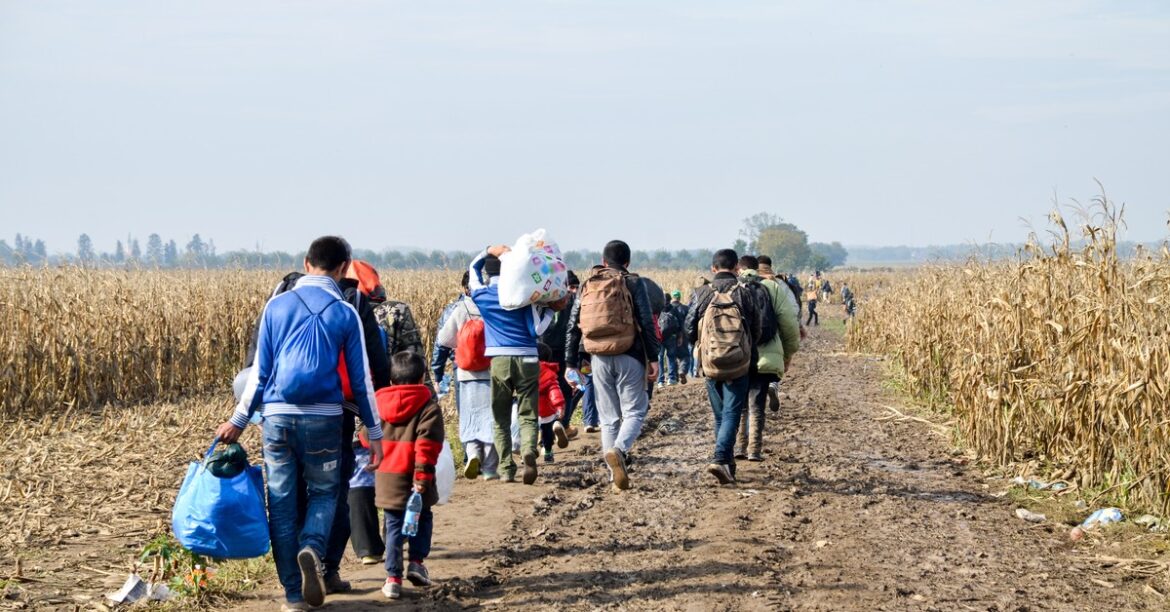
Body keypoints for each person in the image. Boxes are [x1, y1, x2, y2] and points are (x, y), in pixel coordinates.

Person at [216, 236, 384, 611]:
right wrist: (375, 433)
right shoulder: (345, 312)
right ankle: (312, 547)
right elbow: (362, 381)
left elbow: (259, 372)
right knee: (325, 493)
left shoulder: (276, 306)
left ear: (307, 263)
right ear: (344, 269)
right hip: (324, 419)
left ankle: (293, 596)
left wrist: (238, 421)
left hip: (277, 419)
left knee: (281, 504)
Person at [565, 240, 659, 492]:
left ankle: (611, 474)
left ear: (603, 261)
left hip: (598, 357)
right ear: (627, 262)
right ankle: (619, 450)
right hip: (630, 354)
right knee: (635, 412)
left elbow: (574, 325)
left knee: (608, 419)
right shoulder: (634, 282)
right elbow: (647, 324)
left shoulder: (588, 284)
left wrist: (570, 362)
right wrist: (653, 358)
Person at [469, 246, 561, 485]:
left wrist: (488, 250)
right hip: (529, 358)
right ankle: (529, 450)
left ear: (488, 273)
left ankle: (507, 468)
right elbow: (537, 329)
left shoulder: (483, 295)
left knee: (500, 417)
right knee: (528, 413)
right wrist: (550, 311)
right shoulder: (522, 293)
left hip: (498, 359)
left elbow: (472, 269)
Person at [685, 248, 760, 485]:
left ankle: (727, 464)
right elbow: (757, 328)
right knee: (731, 413)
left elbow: (688, 327)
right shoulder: (745, 293)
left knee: (720, 416)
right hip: (739, 363)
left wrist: (702, 346)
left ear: (713, 268)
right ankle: (721, 459)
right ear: (737, 268)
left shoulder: (701, 293)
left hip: (710, 364)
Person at [373, 352, 445, 600]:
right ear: (422, 377)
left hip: (387, 479)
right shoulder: (428, 407)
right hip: (417, 480)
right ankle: (416, 562)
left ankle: (393, 578)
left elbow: (365, 436)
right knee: (422, 519)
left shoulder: (378, 405)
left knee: (392, 526)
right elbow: (427, 446)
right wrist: (423, 477)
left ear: (391, 380)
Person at [735, 256, 800, 462]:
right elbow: (789, 322)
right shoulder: (773, 288)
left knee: (741, 404)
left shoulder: (734, 287)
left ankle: (739, 446)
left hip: (739, 354)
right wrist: (788, 352)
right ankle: (754, 449)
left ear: (740, 269)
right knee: (757, 404)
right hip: (766, 355)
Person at [435, 273, 499, 480]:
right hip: (490, 370)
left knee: (469, 416)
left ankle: (470, 455)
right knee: (490, 416)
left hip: (464, 371)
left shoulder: (458, 309)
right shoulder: (493, 307)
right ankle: (489, 467)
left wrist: (437, 371)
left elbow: (442, 341)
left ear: (465, 289)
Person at [540, 271, 581, 438]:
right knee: (569, 388)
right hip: (565, 352)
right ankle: (563, 423)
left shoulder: (541, 300)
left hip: (543, 351)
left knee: (545, 389)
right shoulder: (571, 301)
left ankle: (545, 431)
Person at [347, 432, 384, 566]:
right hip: (369, 434)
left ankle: (367, 548)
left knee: (356, 480)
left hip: (335, 433)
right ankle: (397, 533)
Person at [429, 278, 467, 397]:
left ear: (465, 288)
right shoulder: (493, 305)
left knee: (464, 408)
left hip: (461, 365)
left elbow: (442, 344)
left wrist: (437, 376)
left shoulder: (452, 309)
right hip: (489, 366)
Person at [537, 342, 568, 462]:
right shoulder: (549, 372)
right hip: (546, 410)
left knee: (528, 430)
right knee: (546, 433)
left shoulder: (525, 370)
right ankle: (548, 452)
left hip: (529, 407)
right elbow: (554, 390)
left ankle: (527, 451)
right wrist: (560, 406)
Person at [656, 291, 682, 387]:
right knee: (671, 357)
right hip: (671, 336)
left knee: (660, 358)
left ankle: (660, 381)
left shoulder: (657, 308)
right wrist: (680, 337)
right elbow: (680, 324)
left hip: (659, 337)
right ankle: (671, 378)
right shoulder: (674, 309)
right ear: (670, 300)